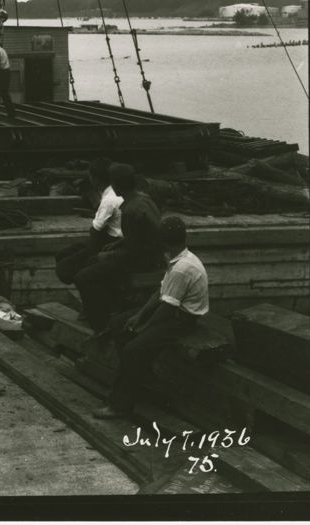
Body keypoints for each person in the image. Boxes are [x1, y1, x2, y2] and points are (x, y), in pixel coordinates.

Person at [93, 216, 208, 419]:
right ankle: (138, 378)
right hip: (171, 312)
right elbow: (160, 292)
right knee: (118, 324)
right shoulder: (178, 259)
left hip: (181, 321)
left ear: (163, 242)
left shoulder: (182, 268)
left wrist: (143, 329)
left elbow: (166, 309)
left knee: (132, 349)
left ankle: (120, 405)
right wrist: (139, 316)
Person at [72, 163, 162, 334]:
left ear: (116, 185)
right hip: (152, 255)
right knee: (95, 261)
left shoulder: (130, 210)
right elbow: (141, 237)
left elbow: (133, 254)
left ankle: (100, 325)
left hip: (145, 262)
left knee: (83, 276)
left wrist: (109, 255)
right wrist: (118, 244)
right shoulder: (144, 199)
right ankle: (111, 308)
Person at [54, 157, 123, 284]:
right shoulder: (115, 192)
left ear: (94, 179)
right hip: (114, 240)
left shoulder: (109, 199)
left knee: (64, 268)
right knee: (66, 254)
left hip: (111, 242)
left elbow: (95, 232)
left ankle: (91, 286)